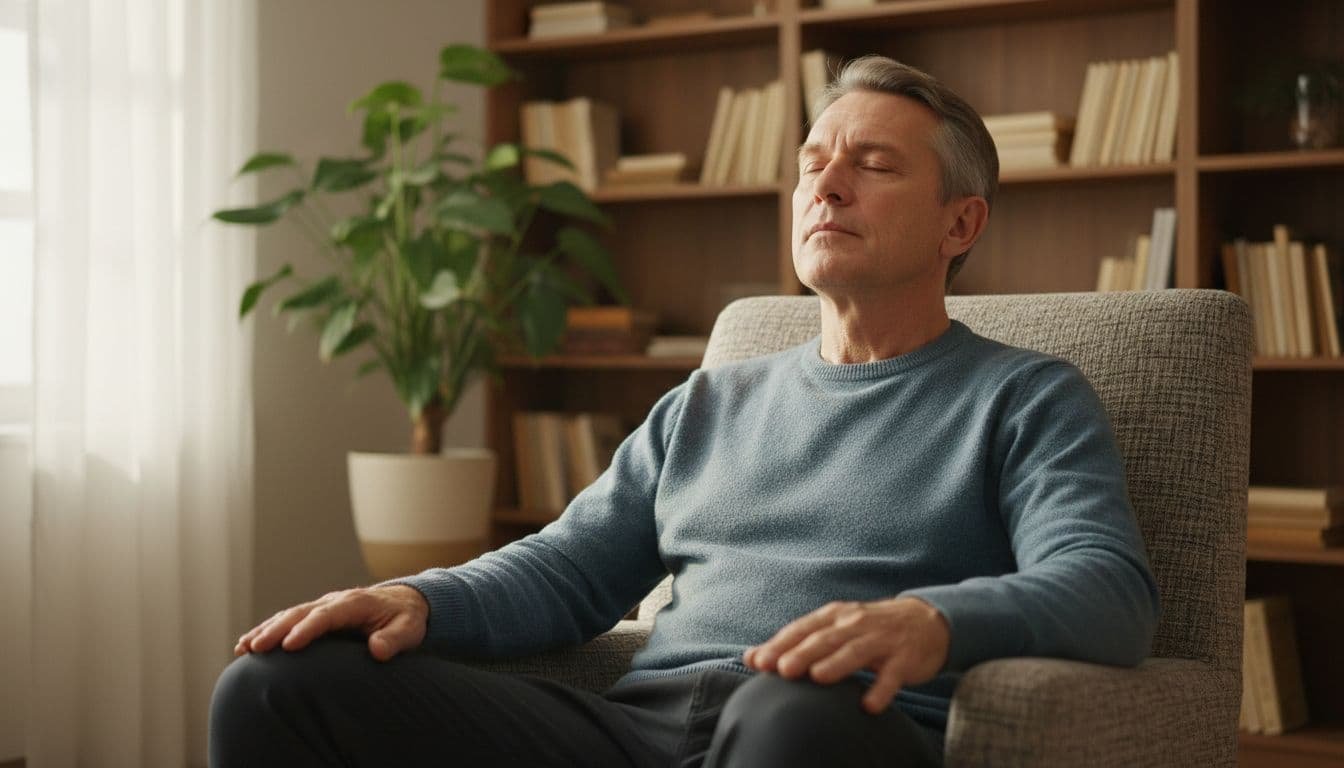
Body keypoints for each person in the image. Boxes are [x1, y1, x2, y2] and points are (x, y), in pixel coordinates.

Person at [210, 56, 1160, 768]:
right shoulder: (710, 400)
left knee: (784, 708)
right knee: (278, 684)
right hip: (638, 731)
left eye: (872, 165)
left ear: (962, 223)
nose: (825, 186)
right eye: (812, 164)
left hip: (818, 731)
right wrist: (420, 597)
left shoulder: (1026, 398)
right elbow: (572, 568)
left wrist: (930, 622)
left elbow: (1108, 590)